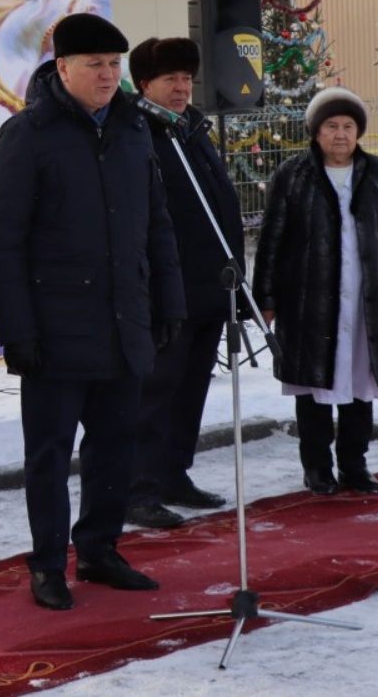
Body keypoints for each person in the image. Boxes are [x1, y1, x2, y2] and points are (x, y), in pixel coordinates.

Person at [0, 13, 186, 612]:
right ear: (63, 68)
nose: (107, 75)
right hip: (55, 330)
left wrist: (168, 301)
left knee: (116, 444)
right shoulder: (28, 134)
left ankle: (99, 548)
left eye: (114, 64)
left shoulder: (133, 129)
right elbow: (4, 243)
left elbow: (156, 224)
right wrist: (17, 332)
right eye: (95, 64)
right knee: (50, 453)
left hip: (124, 321)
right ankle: (48, 564)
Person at [253, 88, 378, 495]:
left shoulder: (377, 173)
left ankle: (354, 464)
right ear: (316, 132)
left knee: (361, 385)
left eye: (348, 126)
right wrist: (266, 299)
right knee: (315, 386)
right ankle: (317, 467)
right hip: (309, 303)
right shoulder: (294, 175)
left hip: (366, 302)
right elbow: (272, 240)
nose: (341, 134)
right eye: (331, 126)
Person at [125, 37, 243, 528]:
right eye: (169, 79)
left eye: (186, 78)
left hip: (209, 285)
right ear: (144, 84)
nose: (180, 87)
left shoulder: (191, 128)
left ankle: (174, 472)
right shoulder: (138, 133)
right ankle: (138, 488)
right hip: (166, 291)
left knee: (191, 387)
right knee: (156, 391)